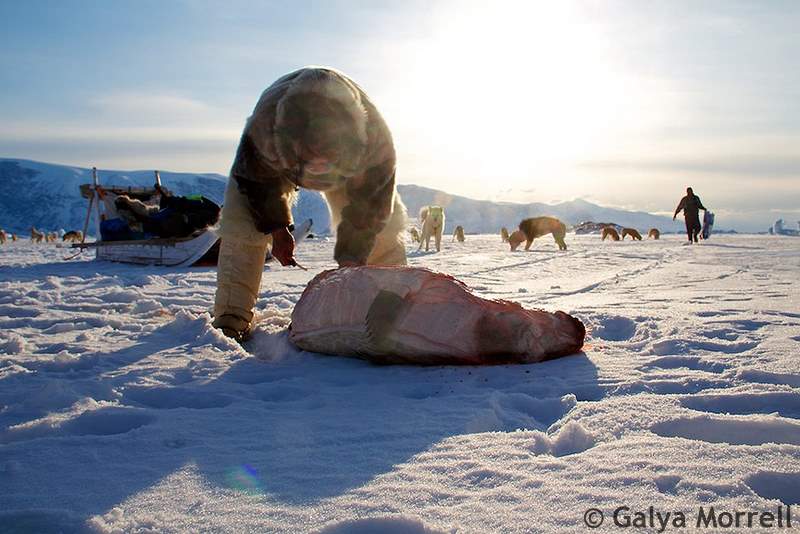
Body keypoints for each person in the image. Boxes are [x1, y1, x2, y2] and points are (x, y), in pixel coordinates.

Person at [213, 67, 407, 341]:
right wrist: (278, 230)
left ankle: (391, 308)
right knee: (241, 222)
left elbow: (372, 207)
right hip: (272, 165)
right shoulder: (264, 133)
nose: (317, 171)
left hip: (350, 170)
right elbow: (256, 185)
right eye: (311, 158)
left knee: (382, 231)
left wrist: (353, 254)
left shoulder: (374, 141)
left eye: (325, 159)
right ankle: (231, 314)